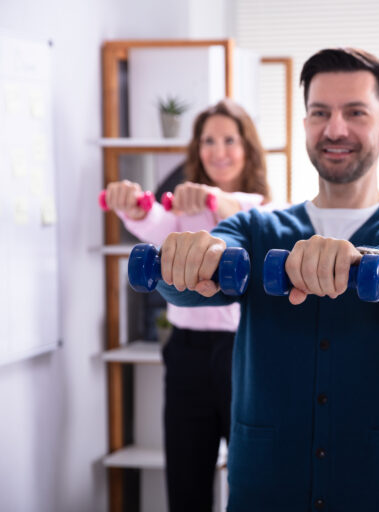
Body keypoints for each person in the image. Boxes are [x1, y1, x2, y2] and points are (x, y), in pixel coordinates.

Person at [151, 48, 379, 512]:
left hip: (378, 493)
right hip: (263, 492)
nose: (335, 129)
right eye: (320, 113)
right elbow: (196, 276)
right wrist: (189, 260)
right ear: (305, 127)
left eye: (355, 112)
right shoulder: (256, 229)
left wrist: (368, 263)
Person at [103, 98, 275, 512]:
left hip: (243, 354)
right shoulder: (183, 208)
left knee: (251, 480)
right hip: (186, 353)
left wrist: (214, 199)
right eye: (208, 140)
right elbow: (155, 227)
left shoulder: (263, 208)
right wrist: (133, 204)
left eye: (229, 140)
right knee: (186, 478)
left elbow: (249, 217)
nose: (218, 150)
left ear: (248, 147)